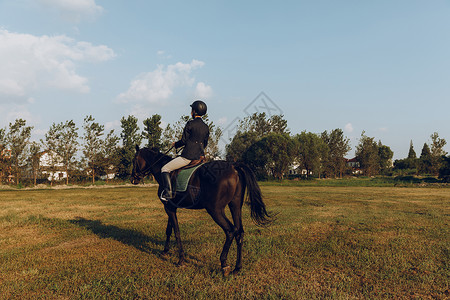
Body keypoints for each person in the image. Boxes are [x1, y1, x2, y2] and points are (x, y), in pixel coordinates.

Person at [160, 100, 210, 201]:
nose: (191, 112)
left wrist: (175, 144)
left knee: (165, 169)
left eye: (192, 110)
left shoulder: (190, 124)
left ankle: (168, 193)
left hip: (188, 157)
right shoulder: (206, 127)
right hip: (200, 157)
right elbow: (205, 143)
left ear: (194, 111)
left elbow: (183, 140)